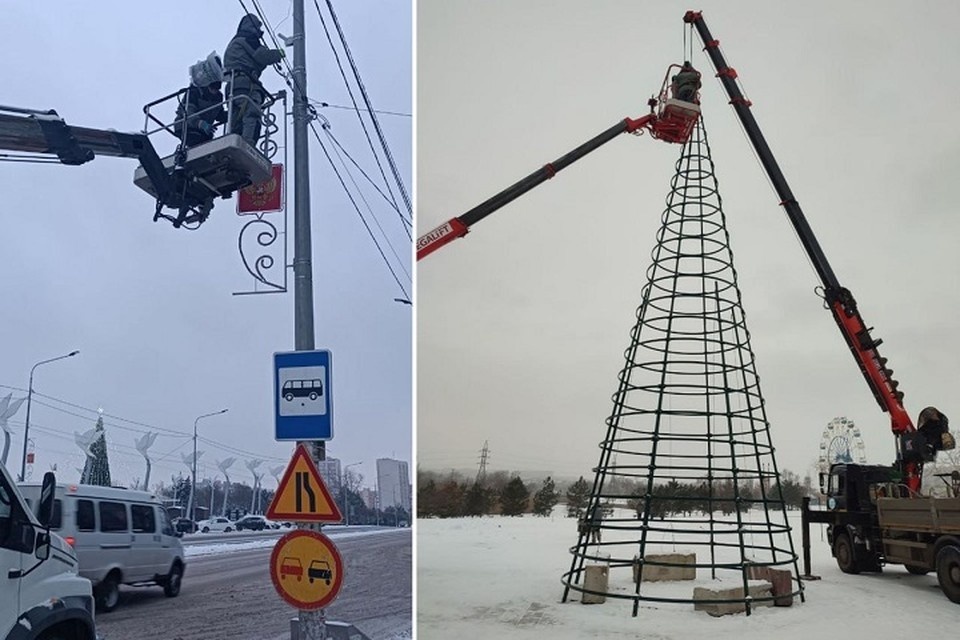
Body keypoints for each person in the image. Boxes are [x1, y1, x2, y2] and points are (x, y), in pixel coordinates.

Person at [223, 13, 284, 147]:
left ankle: (233, 145)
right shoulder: (248, 38)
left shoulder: (235, 42)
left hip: (233, 86)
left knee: (236, 120)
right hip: (247, 84)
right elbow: (262, 56)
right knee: (252, 115)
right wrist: (279, 53)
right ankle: (247, 146)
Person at [174, 52, 228, 148]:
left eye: (217, 88)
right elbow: (188, 113)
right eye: (213, 87)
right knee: (198, 141)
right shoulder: (194, 92)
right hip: (186, 127)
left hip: (203, 131)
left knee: (208, 144)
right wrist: (200, 123)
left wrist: (234, 112)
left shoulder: (218, 97)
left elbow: (219, 115)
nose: (214, 91)